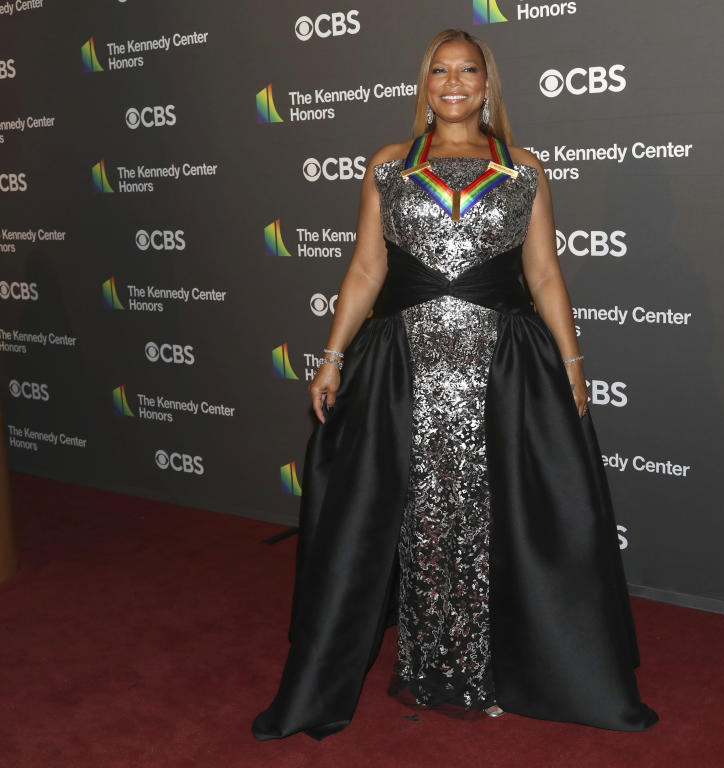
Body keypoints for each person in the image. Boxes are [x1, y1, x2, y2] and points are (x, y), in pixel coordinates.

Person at [252, 28, 658, 742]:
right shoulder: (389, 166)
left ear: (487, 83)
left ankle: (496, 666)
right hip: (401, 370)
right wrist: (332, 356)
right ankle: (426, 661)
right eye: (439, 70)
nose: (453, 81)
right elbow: (365, 271)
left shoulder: (523, 168)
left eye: (467, 69)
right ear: (424, 84)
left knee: (496, 515)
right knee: (411, 513)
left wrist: (572, 363)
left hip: (504, 369)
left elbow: (544, 275)